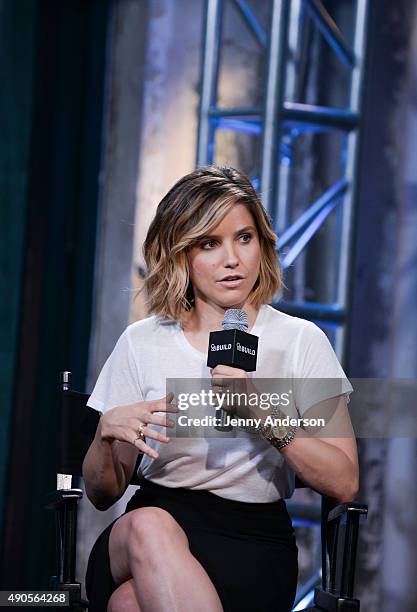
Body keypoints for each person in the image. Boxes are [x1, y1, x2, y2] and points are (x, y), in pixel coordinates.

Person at [82, 165, 359, 612]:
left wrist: (264, 416)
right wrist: (104, 434)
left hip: (252, 543)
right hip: (149, 525)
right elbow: (101, 495)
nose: (232, 259)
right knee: (149, 525)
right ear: (181, 256)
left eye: (244, 238)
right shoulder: (142, 341)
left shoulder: (301, 341)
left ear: (262, 243)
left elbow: (344, 481)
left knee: (130, 605)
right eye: (209, 244)